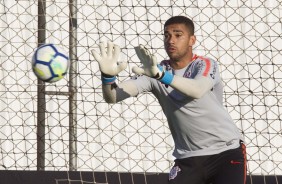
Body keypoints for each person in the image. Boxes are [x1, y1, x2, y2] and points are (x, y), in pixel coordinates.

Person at [91, 15, 247, 184]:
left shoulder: (205, 64)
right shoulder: (154, 71)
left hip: (226, 152)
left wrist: (161, 76)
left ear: (191, 40)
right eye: (167, 35)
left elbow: (197, 90)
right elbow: (113, 96)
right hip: (188, 158)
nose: (171, 40)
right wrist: (107, 77)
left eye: (178, 35)